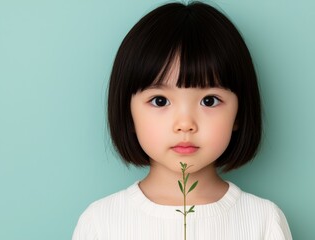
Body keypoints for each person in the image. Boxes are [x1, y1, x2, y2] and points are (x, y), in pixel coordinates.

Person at [72, 2, 292, 239]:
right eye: (159, 101)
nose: (185, 124)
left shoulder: (263, 220)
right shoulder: (101, 222)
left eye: (209, 101)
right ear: (129, 114)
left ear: (239, 114)